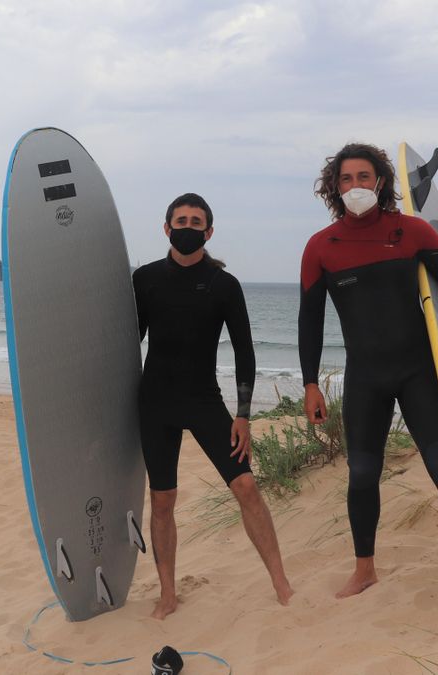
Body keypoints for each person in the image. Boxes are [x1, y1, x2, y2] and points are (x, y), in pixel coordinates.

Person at [297, 143, 438, 606]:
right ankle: (364, 569)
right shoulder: (320, 248)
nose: (355, 187)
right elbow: (310, 320)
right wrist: (310, 382)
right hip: (365, 377)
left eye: (363, 177)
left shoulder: (410, 232)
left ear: (381, 182)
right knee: (362, 473)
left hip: (417, 371)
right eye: (346, 180)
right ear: (335, 188)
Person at [133, 192, 294, 619]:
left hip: (204, 401)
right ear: (166, 227)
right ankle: (168, 593)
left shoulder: (225, 285)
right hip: (156, 403)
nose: (188, 227)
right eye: (180, 220)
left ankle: (281, 584)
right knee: (163, 499)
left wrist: (243, 414)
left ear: (209, 230)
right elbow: (127, 343)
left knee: (246, 487)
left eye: (196, 221)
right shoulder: (145, 279)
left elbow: (245, 352)